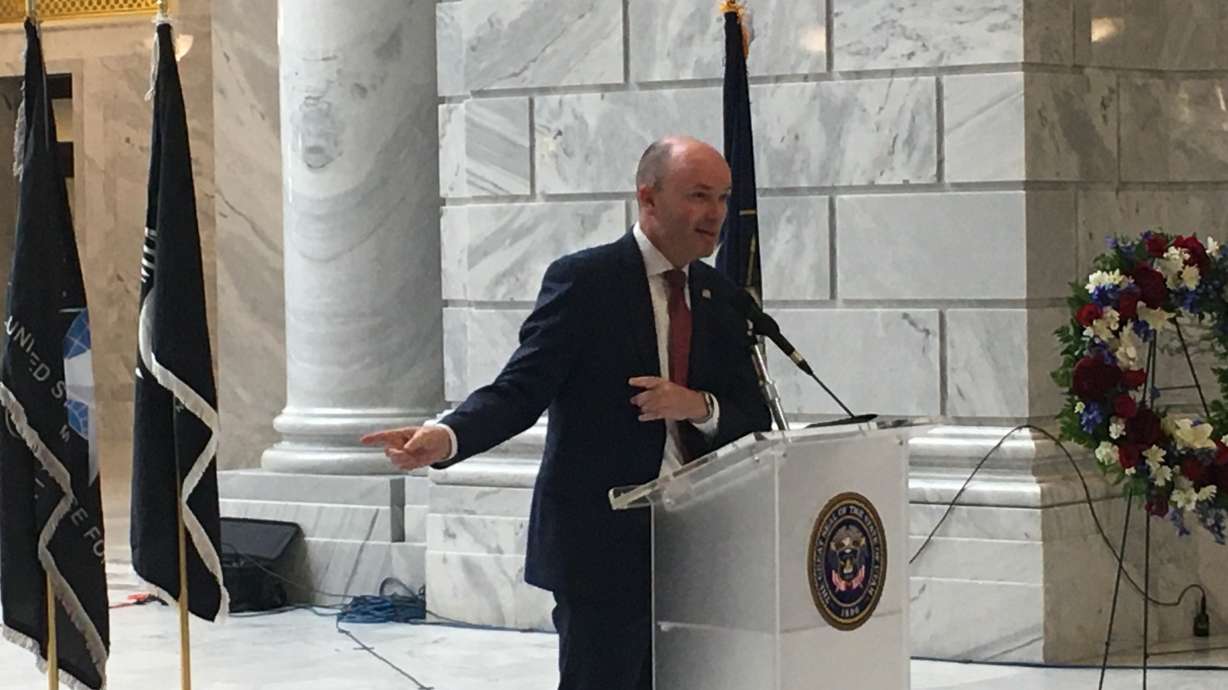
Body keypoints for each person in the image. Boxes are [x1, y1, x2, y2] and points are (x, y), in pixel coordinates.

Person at [361, 135, 772, 690]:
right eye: (700, 196)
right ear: (647, 199)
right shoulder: (588, 282)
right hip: (603, 541)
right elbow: (521, 389)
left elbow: (752, 412)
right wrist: (448, 435)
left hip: (696, 541)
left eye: (724, 198)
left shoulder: (718, 294)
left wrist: (697, 405)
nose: (716, 214)